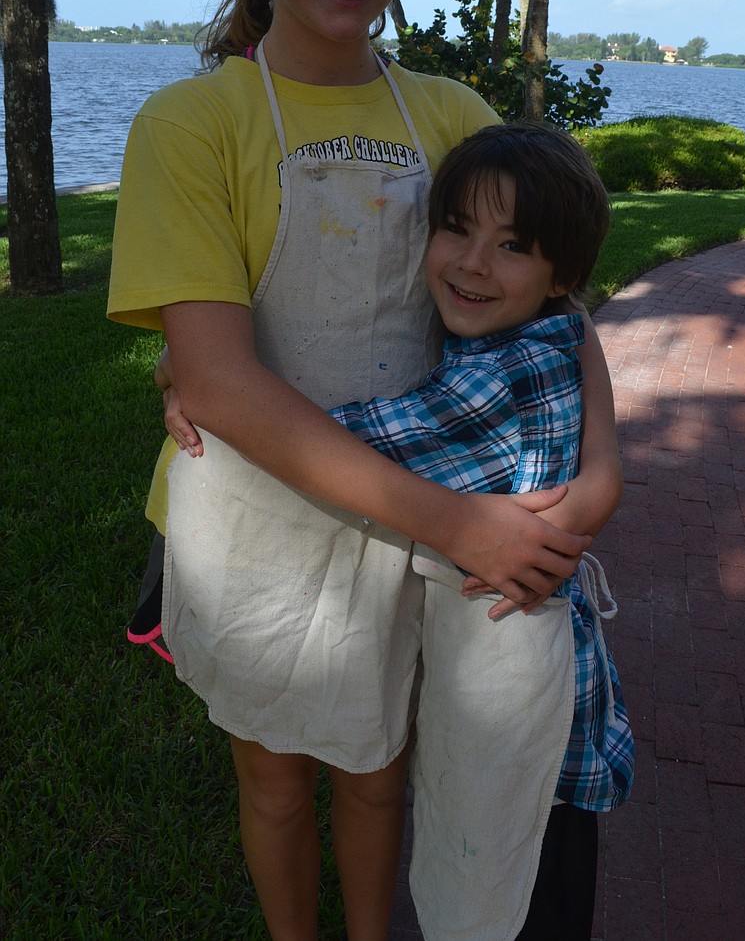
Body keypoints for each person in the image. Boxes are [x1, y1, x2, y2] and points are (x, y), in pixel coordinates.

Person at [108, 0, 622, 941]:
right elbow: (225, 384)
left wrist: (600, 470)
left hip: (421, 519)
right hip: (261, 526)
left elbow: (558, 305)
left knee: (384, 770)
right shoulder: (192, 125)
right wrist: (455, 520)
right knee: (278, 778)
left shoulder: (449, 110)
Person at [165, 120, 634, 941]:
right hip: (558, 708)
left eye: (512, 244)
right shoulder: (552, 333)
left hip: (525, 724)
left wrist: (200, 380)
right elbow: (583, 329)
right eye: (455, 227)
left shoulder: (491, 381)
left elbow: (342, 436)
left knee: (502, 895)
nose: (471, 262)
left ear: (563, 273)